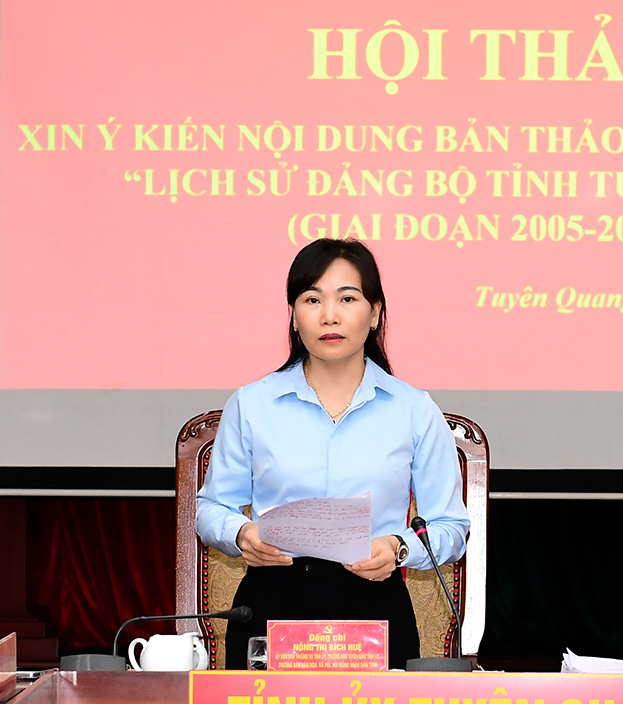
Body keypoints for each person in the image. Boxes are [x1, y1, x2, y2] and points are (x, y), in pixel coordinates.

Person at [196, 238, 470, 670]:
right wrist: (242, 534)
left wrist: (398, 548)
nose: (329, 315)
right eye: (312, 299)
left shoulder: (414, 410)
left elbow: (451, 527)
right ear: (293, 315)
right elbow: (212, 508)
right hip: (273, 599)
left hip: (374, 604)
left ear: (375, 313)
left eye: (347, 298)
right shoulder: (252, 404)